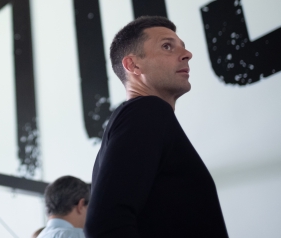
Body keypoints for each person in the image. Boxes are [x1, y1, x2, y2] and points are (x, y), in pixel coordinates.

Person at [84, 16, 229, 238]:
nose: (187, 55)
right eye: (167, 46)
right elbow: (104, 225)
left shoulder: (141, 118)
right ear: (133, 65)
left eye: (183, 47)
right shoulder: (146, 111)